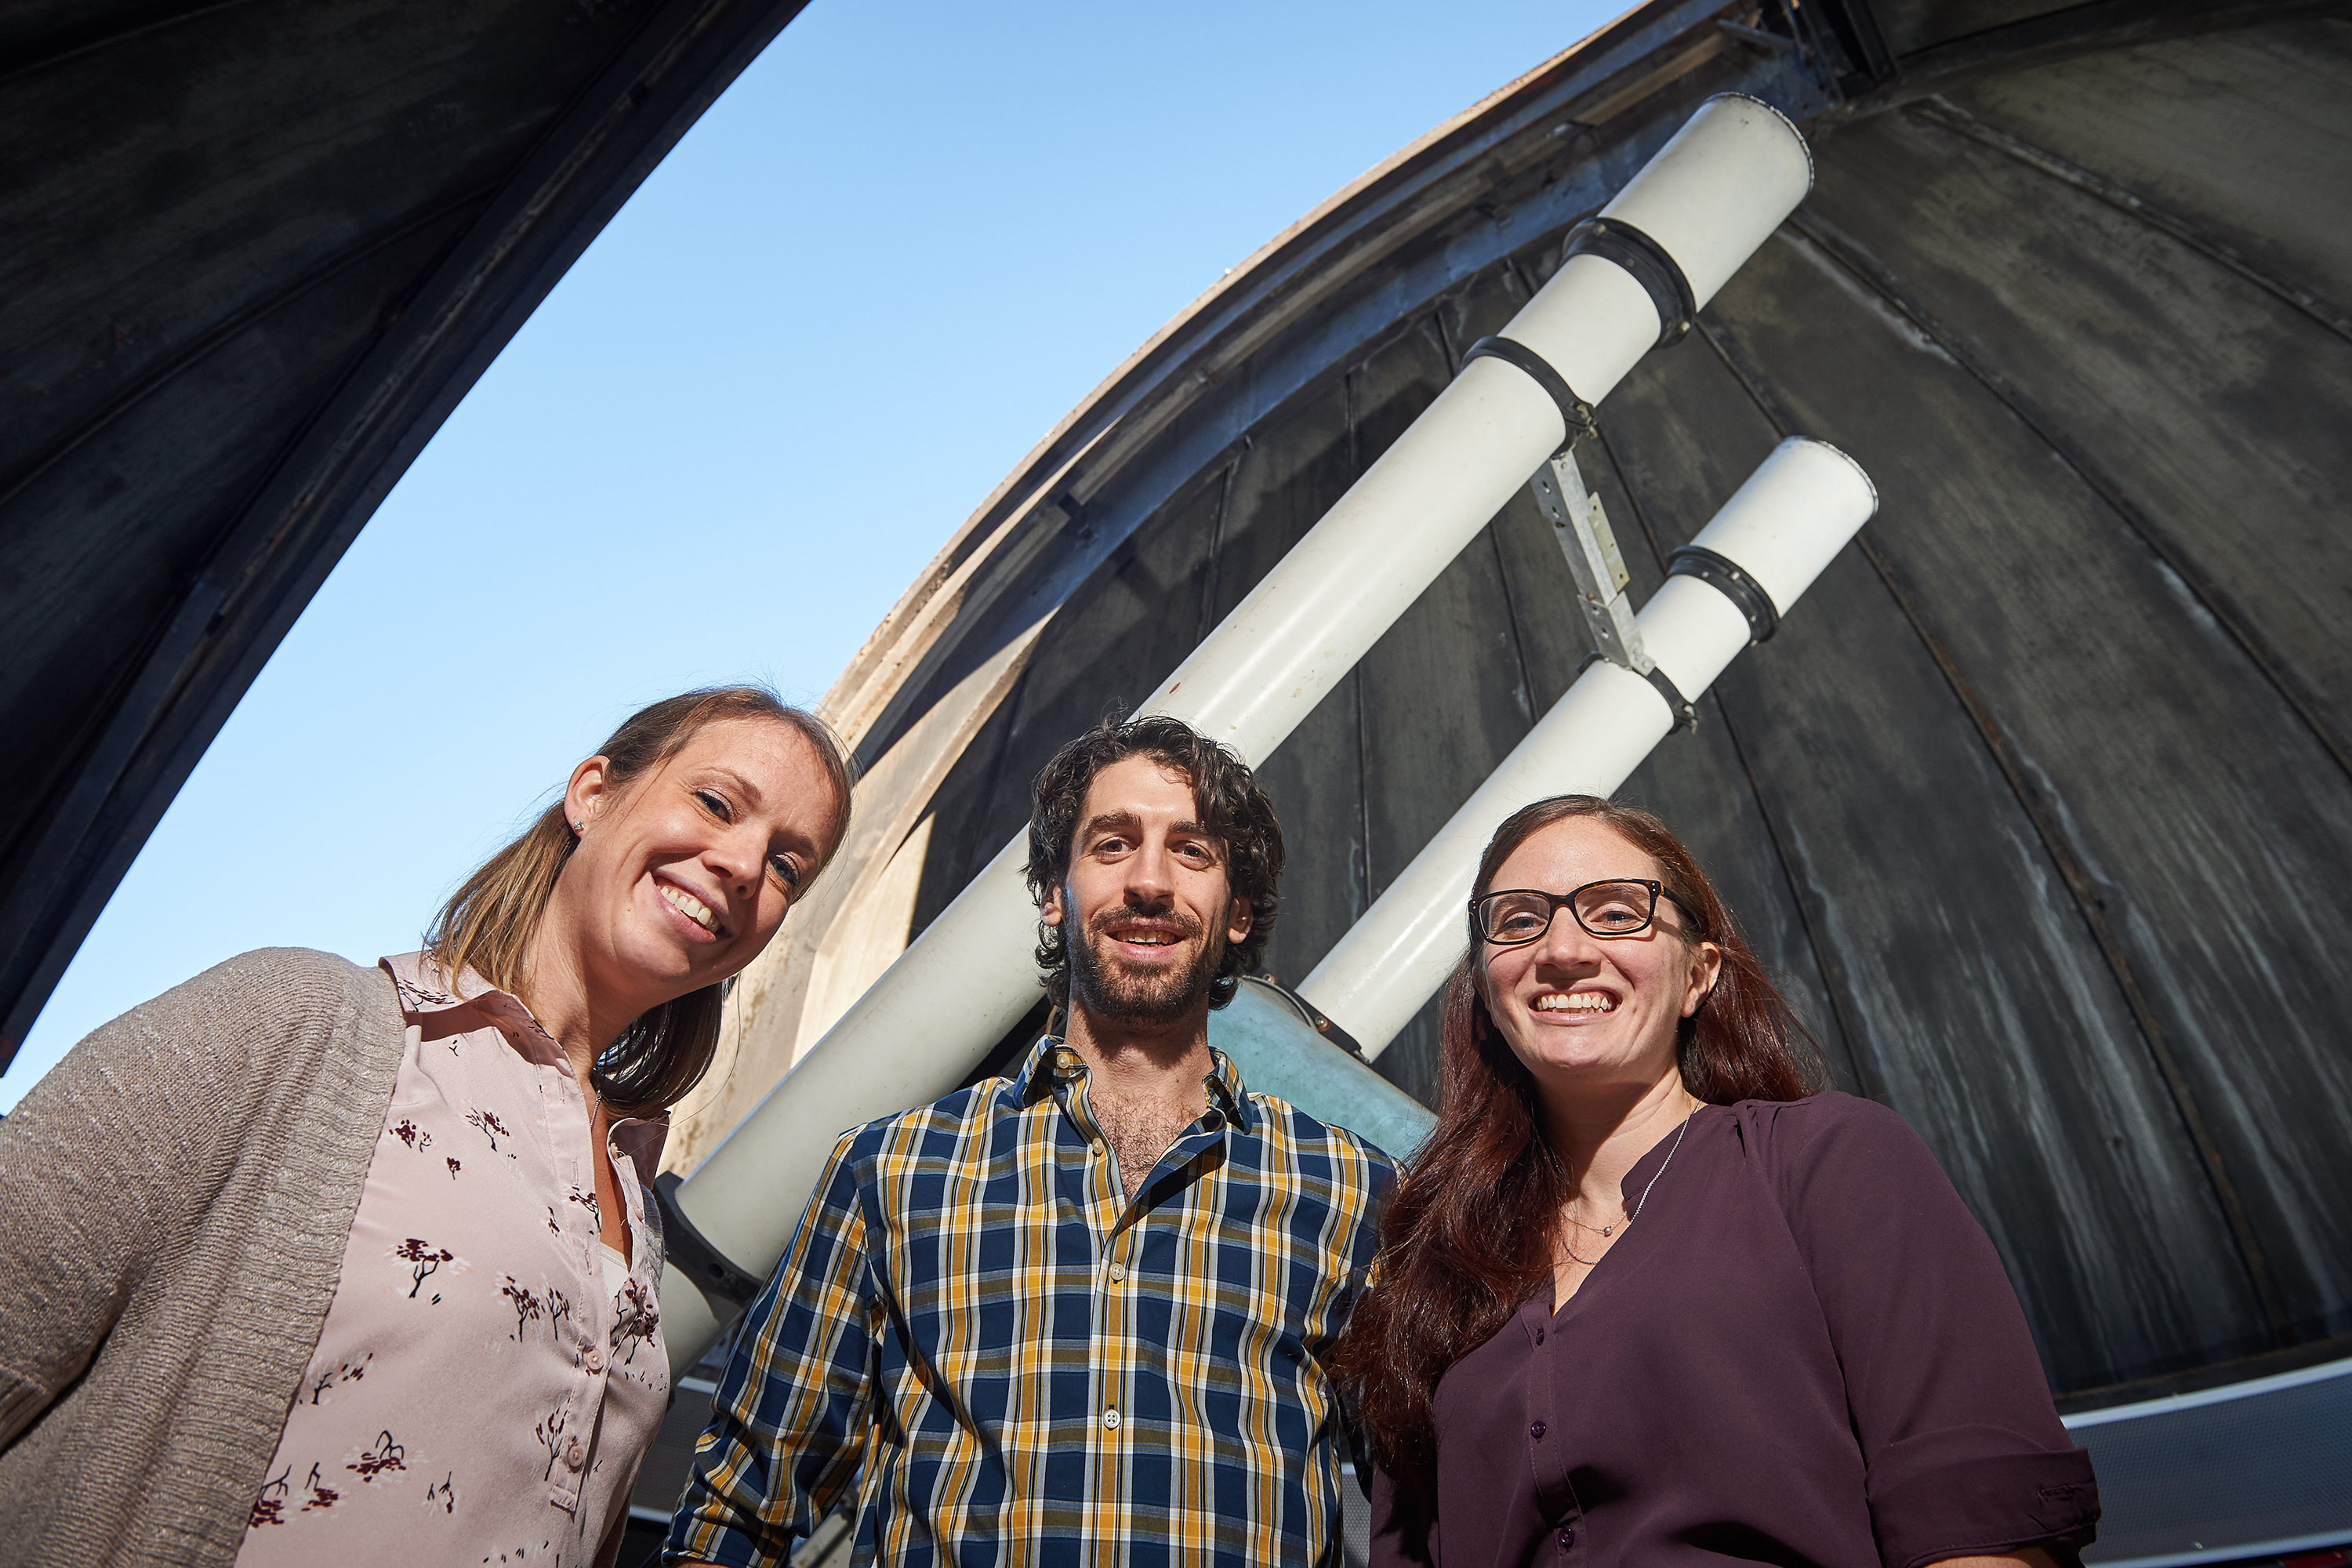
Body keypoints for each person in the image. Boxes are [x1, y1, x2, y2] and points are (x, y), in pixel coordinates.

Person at [0, 685, 852, 1568]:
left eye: (789, 865)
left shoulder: (633, 1201)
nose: (747, 864)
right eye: (717, 803)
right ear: (593, 793)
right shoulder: (297, 1025)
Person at [666, 714, 1393, 1566]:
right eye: (1113, 844)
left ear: (1237, 912)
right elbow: (740, 1502)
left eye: (1192, 851)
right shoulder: (895, 1170)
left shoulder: (1351, 1192)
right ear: (1056, 892)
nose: (1150, 882)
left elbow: (1435, 1505)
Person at [1335, 794, 2100, 1567]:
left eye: (1616, 910)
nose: (1562, 947)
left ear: (1698, 974)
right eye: (1519, 919)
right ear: (1486, 990)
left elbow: (1978, 1515)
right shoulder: (1432, 1267)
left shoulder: (1830, 1162)